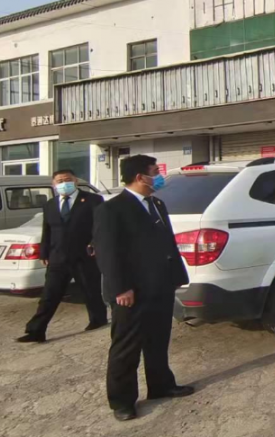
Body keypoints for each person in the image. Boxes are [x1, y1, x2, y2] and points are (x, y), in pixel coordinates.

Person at [93, 155, 193, 421]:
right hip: (131, 292)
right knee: (126, 347)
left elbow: (166, 243)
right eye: (155, 171)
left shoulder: (156, 204)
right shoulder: (112, 209)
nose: (159, 176)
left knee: (158, 341)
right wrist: (121, 288)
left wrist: (176, 276)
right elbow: (107, 253)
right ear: (140, 177)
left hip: (160, 286)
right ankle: (122, 401)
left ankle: (161, 385)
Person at [18, 170, 107, 343]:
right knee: (49, 295)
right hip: (58, 257)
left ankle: (98, 319)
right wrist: (44, 252)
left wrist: (94, 243)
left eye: (67, 179)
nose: (64, 183)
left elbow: (100, 225)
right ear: (53, 184)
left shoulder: (93, 200)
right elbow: (47, 230)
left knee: (90, 291)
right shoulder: (50, 204)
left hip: (84, 256)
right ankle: (36, 330)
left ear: (75, 181)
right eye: (59, 181)